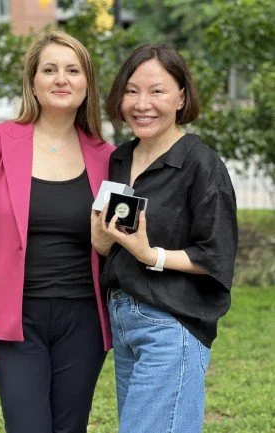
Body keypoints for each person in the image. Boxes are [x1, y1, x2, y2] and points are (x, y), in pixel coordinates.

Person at [0, 31, 115, 433]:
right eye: (50, 69)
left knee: (70, 427)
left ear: (86, 83)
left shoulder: (107, 156)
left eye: (73, 70)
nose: (62, 79)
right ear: (34, 81)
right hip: (15, 318)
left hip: (84, 320)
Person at [92, 44, 238, 433]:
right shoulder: (120, 158)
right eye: (132, 90)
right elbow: (110, 243)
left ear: (181, 97)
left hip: (170, 323)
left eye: (157, 91)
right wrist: (101, 237)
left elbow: (216, 257)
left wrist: (150, 254)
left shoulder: (201, 164)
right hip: (122, 321)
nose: (142, 103)